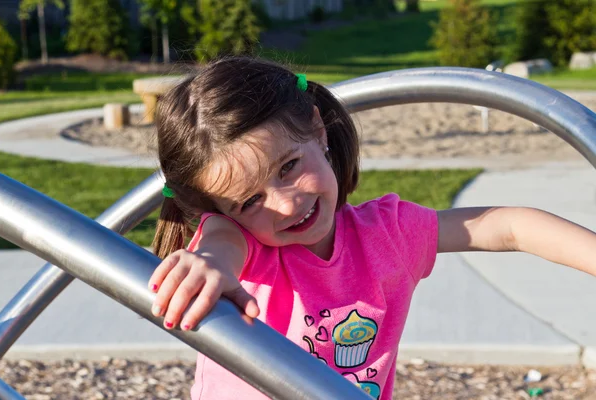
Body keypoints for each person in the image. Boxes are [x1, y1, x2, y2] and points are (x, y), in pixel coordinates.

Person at [148, 56, 596, 400]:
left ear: (318, 132)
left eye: (288, 166)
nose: (285, 204)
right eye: (250, 201)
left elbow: (509, 227)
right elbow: (219, 245)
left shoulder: (387, 235)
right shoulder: (239, 243)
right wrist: (208, 262)